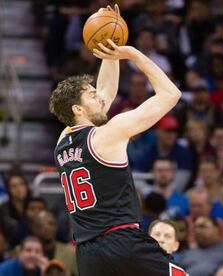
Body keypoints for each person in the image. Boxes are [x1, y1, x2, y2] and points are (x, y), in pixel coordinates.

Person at [48, 5, 185, 275]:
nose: (99, 96)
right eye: (91, 95)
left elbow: (107, 93)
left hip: (87, 253)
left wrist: (110, 51)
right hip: (122, 242)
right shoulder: (110, 133)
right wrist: (132, 53)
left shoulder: (63, 141)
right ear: (78, 109)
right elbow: (171, 94)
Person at [32, 211, 77, 276]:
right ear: (34, 228)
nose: (47, 227)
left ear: (56, 227)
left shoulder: (69, 252)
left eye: (51, 224)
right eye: (41, 224)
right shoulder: (27, 253)